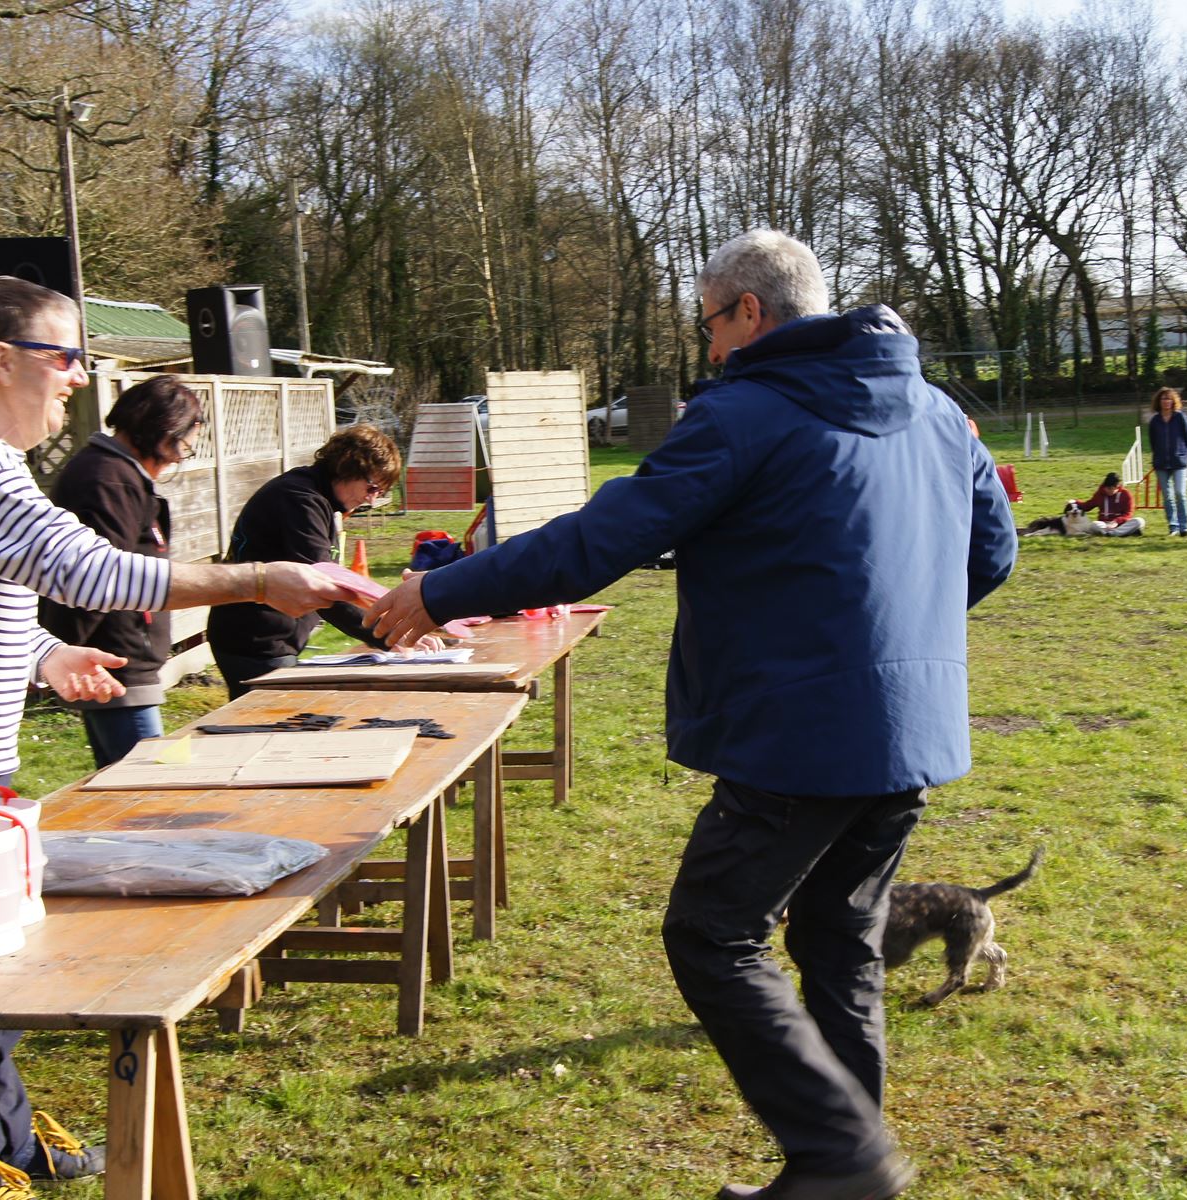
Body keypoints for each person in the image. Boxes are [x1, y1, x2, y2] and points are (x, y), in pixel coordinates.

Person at [366, 230, 1016, 1200]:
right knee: (837, 943)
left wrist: (442, 590)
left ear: (749, 313)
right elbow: (992, 553)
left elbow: (600, 540)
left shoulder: (746, 412)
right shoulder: (937, 412)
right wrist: (887, 632)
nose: (708, 348)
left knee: (711, 935)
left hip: (798, 736)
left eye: (709, 323)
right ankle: (840, 1168)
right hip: (907, 732)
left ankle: (843, 1155)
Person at [0, 275, 351, 1200]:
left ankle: (11, 1137)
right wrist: (258, 578)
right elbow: (89, 568)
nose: (78, 378)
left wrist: (43, 654)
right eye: (63, 356)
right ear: (2, 360)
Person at [39, 375, 204, 766]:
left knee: (136, 788)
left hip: (125, 665)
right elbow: (95, 580)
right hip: (116, 668)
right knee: (144, 795)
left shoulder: (118, 474)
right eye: (182, 446)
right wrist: (63, 652)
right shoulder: (106, 479)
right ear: (160, 433)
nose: (180, 458)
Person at [206, 424, 436, 698]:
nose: (371, 499)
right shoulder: (300, 500)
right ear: (347, 468)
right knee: (271, 726)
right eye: (371, 487)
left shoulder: (317, 498)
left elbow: (343, 583)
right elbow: (322, 588)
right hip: (254, 639)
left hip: (270, 637)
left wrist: (397, 622)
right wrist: (390, 635)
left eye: (379, 492)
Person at [1023, 472, 1144, 536]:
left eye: (1111, 489)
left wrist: (1116, 522)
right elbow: (1088, 505)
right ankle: (1121, 534)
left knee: (1139, 521)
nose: (1108, 491)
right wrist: (1074, 502)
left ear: (1117, 487)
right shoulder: (1101, 493)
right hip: (1103, 524)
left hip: (1119, 524)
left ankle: (1115, 534)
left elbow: (1128, 514)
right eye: (1107, 488)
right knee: (1093, 525)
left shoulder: (1126, 495)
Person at [1148, 387, 1187, 536]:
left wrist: (1186, 453)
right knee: (1167, 496)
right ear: (1159, 401)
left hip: (1178, 461)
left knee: (1180, 493)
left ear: (1173, 401)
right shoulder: (1155, 420)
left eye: (1168, 398)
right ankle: (1173, 526)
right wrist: (1157, 456)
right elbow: (1152, 441)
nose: (1166, 401)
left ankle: (1184, 526)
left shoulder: (1180, 417)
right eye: (1163, 399)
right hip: (1161, 462)